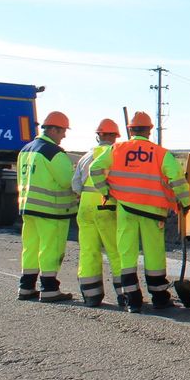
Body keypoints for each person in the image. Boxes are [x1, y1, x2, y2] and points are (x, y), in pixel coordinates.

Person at [89, 112, 190, 314]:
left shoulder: (116, 149)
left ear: (129, 129)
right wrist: (186, 202)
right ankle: (160, 298)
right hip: (153, 212)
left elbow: (94, 168)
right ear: (149, 130)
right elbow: (177, 178)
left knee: (127, 255)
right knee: (154, 255)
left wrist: (106, 191)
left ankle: (132, 300)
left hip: (126, 210)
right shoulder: (160, 153)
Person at [16, 111, 77, 302]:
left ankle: (26, 286)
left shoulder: (25, 150)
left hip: (28, 208)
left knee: (30, 247)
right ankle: (49, 288)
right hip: (51, 210)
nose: (64, 136)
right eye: (62, 131)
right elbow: (67, 181)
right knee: (51, 248)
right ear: (53, 129)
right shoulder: (54, 153)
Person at [72, 118, 123, 307]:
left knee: (88, 251)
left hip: (85, 208)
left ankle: (91, 295)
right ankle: (124, 295)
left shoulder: (86, 156)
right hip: (107, 205)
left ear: (98, 136)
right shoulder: (116, 154)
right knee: (116, 251)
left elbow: (75, 186)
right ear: (115, 137)